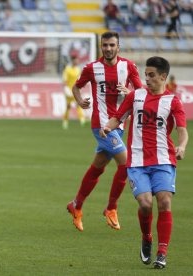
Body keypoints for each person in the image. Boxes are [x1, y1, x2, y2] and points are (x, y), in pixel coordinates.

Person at [100, 56, 188, 269]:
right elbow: (118, 117)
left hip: (164, 160)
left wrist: (182, 146)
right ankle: (147, 237)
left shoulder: (173, 101)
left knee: (165, 202)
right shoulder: (135, 96)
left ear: (163, 77)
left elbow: (182, 130)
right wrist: (108, 126)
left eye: (151, 75)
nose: (146, 79)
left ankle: (162, 252)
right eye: (145, 75)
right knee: (146, 204)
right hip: (137, 161)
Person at [66, 31, 143, 232]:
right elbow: (76, 87)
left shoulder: (128, 67)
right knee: (126, 164)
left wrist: (131, 93)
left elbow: (142, 93)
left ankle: (76, 205)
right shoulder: (92, 68)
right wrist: (80, 100)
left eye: (111, 45)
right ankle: (111, 208)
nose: (108, 49)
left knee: (98, 168)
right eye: (105, 45)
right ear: (101, 47)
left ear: (118, 47)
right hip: (101, 125)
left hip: (119, 125)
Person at [62, 55, 85, 129]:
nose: (77, 61)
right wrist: (66, 88)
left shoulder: (78, 69)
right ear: (73, 60)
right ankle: (65, 121)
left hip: (76, 91)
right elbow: (65, 80)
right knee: (68, 106)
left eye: (77, 60)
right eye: (76, 60)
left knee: (79, 104)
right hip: (69, 90)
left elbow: (79, 80)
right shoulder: (67, 69)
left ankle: (82, 120)